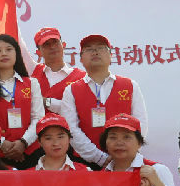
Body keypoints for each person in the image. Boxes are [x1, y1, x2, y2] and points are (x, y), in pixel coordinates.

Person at [61, 34, 148, 169]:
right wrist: (99, 157)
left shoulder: (130, 85)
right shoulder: (71, 90)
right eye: (89, 49)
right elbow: (71, 129)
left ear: (111, 55)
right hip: (86, 164)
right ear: (81, 59)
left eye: (101, 48)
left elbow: (141, 123)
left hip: (125, 161)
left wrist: (126, 152)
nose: (95, 52)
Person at [0, 34, 44, 169]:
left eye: (9, 49)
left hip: (31, 152)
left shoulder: (32, 83)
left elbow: (38, 118)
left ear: (17, 53)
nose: (4, 53)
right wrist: (2, 143)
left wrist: (23, 143)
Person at [30, 28, 85, 114]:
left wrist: (46, 102)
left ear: (63, 45)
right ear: (38, 52)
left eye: (55, 42)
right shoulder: (33, 71)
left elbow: (81, 108)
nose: (52, 47)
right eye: (46, 44)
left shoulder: (81, 77)